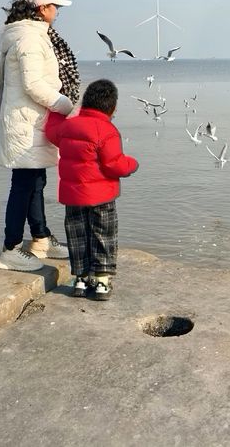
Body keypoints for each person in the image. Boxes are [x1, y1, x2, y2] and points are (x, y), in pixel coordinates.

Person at [0, 0, 80, 272]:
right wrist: (64, 104)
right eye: (55, 7)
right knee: (23, 185)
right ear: (43, 8)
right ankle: (11, 248)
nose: (58, 12)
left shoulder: (30, 35)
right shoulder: (30, 40)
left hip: (32, 122)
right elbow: (33, 85)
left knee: (36, 182)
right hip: (26, 124)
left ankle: (41, 239)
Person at [45, 79, 139, 299]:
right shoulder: (107, 130)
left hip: (72, 198)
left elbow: (51, 133)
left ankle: (80, 280)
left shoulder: (68, 127)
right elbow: (113, 164)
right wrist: (132, 164)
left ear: (84, 103)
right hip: (101, 198)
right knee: (103, 235)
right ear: (112, 108)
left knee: (77, 236)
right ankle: (102, 283)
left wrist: (57, 110)